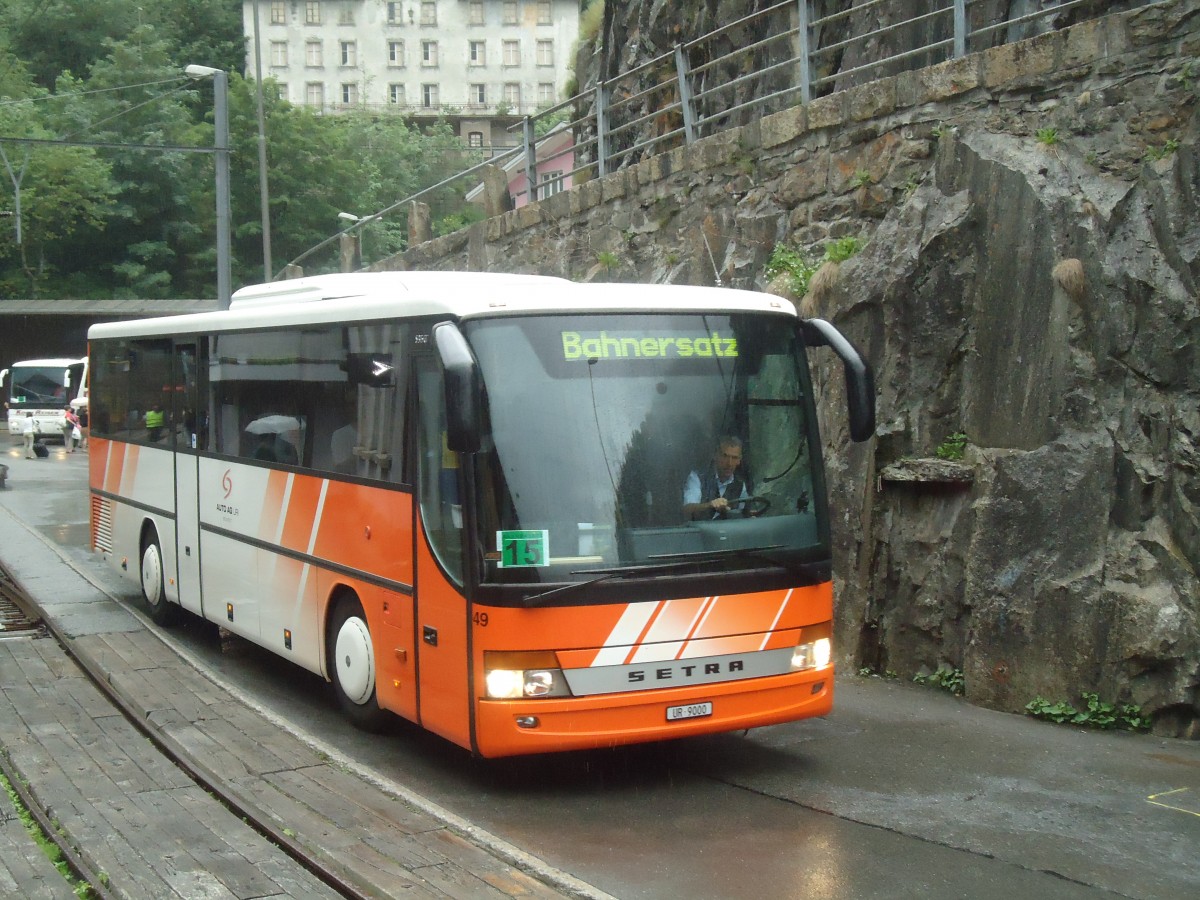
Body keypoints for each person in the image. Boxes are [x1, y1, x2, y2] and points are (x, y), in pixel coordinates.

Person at [682, 435, 754, 520]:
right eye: (725, 456)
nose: (729, 463)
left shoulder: (741, 485)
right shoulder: (697, 477)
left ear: (739, 461)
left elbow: (741, 514)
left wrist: (749, 516)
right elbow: (687, 510)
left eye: (734, 458)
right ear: (715, 455)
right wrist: (710, 505)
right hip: (700, 532)